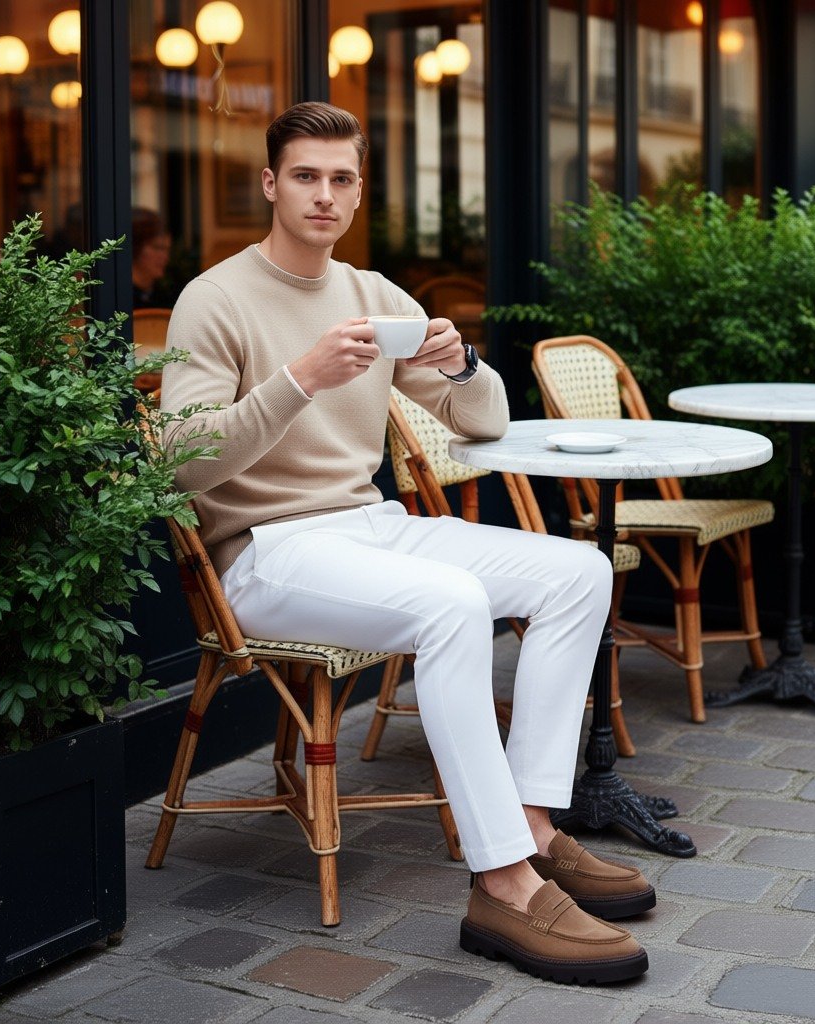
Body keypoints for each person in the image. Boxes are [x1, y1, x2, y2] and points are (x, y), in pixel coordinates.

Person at [160, 101, 654, 985]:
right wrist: (301, 379)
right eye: (305, 176)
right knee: (454, 604)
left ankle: (533, 824)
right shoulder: (215, 298)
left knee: (578, 572)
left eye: (341, 179)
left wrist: (463, 364)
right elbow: (181, 463)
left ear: (359, 193)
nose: (323, 194)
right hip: (266, 552)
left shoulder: (376, 296)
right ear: (270, 184)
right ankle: (503, 884)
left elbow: (486, 423)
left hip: (369, 528)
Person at [131, 207, 173, 308]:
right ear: (135, 247)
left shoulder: (166, 298)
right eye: (157, 248)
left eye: (167, 249)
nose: (165, 257)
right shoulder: (117, 299)